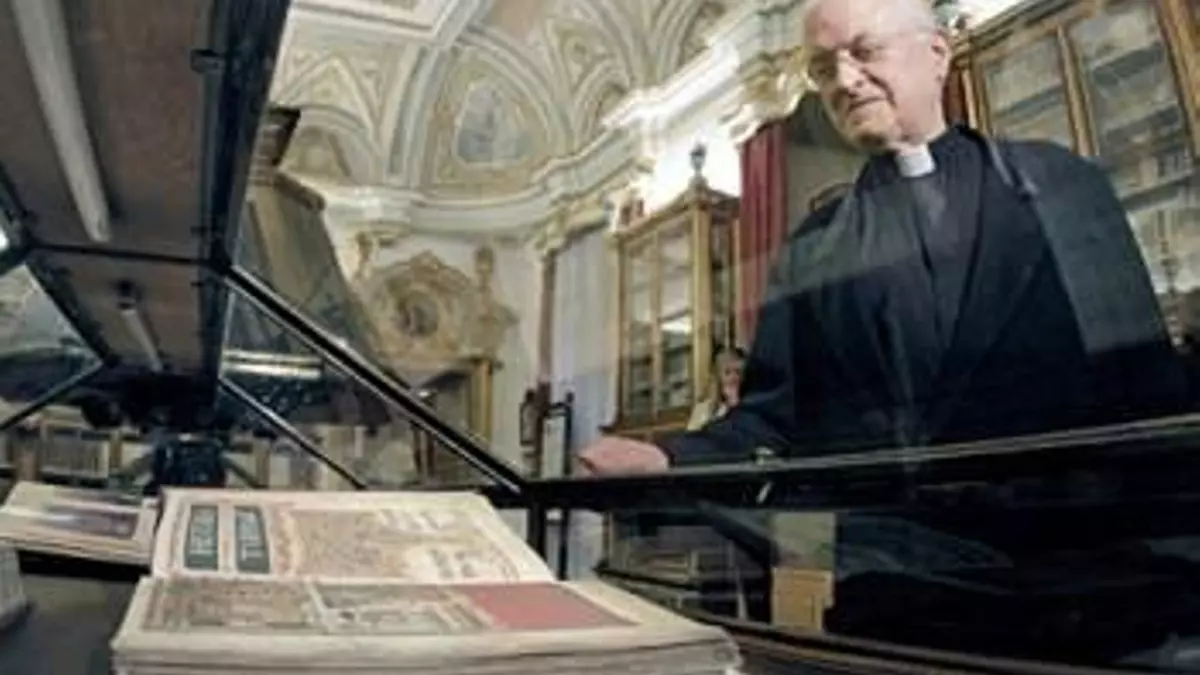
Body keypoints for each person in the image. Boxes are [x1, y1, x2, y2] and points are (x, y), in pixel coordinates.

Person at [579, 0, 1186, 476]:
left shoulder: (1059, 183)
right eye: (823, 69)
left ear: (938, 54)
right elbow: (775, 418)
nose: (844, 81)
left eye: (866, 51)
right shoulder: (814, 247)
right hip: (900, 559)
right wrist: (668, 456)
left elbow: (1143, 385)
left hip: (1071, 557)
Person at [685, 346, 746, 431]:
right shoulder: (702, 409)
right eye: (727, 373)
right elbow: (692, 435)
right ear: (718, 377)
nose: (733, 377)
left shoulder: (750, 407)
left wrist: (734, 404)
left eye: (738, 372)